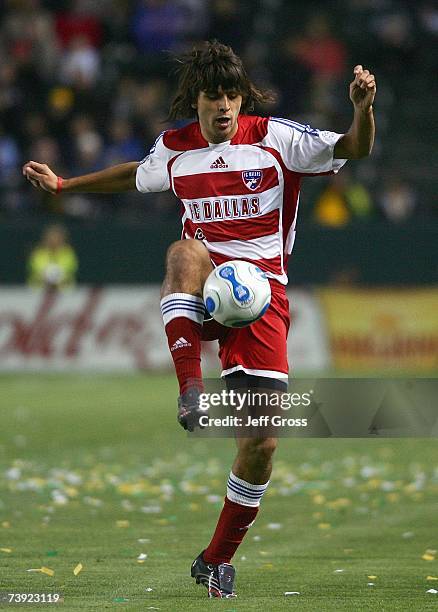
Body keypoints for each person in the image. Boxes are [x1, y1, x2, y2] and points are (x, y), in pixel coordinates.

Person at [23, 40, 376, 598]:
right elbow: (136, 175)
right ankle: (191, 390)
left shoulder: (277, 139)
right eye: (214, 96)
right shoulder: (176, 148)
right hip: (206, 285)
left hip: (263, 299)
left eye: (232, 95)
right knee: (184, 251)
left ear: (242, 98)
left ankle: (215, 559)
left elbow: (353, 148)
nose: (224, 106)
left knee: (262, 443)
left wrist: (363, 107)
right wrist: (66, 185)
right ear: (198, 100)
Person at [27, 223, 78, 289]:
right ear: (45, 239)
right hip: (39, 292)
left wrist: (57, 278)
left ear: (63, 239)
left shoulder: (69, 253)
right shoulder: (37, 254)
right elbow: (38, 271)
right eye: (51, 238)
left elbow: (68, 271)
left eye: (57, 238)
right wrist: (47, 277)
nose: (54, 241)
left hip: (64, 292)